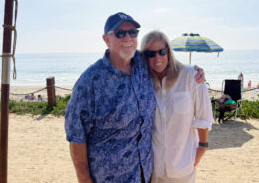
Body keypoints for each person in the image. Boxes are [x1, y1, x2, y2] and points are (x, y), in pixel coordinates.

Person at [65, 12, 205, 183]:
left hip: (146, 175)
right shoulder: (90, 82)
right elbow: (76, 136)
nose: (128, 38)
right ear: (106, 39)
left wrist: (194, 72)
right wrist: (84, 178)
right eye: (120, 33)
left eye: (133, 32)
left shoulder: (143, 63)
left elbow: (163, 59)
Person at [140, 30, 213, 183]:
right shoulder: (144, 83)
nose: (157, 58)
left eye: (162, 51)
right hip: (155, 168)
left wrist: (201, 150)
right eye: (151, 54)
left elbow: (203, 118)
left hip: (183, 167)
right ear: (144, 57)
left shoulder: (191, 76)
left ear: (169, 52)